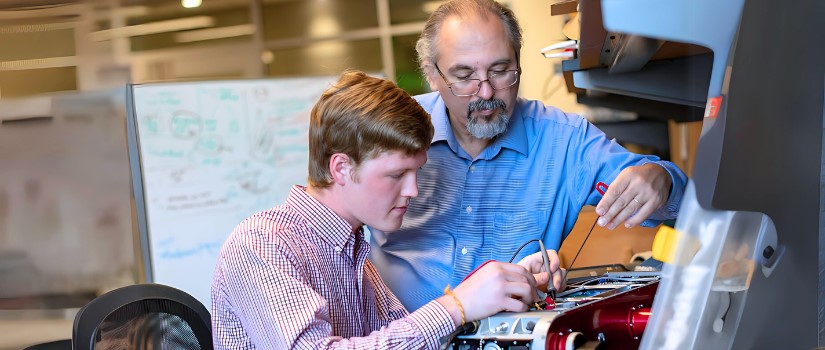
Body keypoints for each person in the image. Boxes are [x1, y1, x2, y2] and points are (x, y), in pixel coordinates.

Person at [368, 0, 688, 311]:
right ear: (432, 75)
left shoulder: (565, 140)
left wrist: (661, 179)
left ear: (518, 62)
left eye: (500, 70)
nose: (486, 93)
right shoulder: (389, 130)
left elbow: (679, 202)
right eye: (464, 76)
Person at [211, 70, 556, 349]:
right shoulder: (261, 245)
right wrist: (456, 306)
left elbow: (405, 339)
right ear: (341, 168)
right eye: (396, 175)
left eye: (415, 172)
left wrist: (502, 286)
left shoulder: (353, 247)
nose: (413, 190)